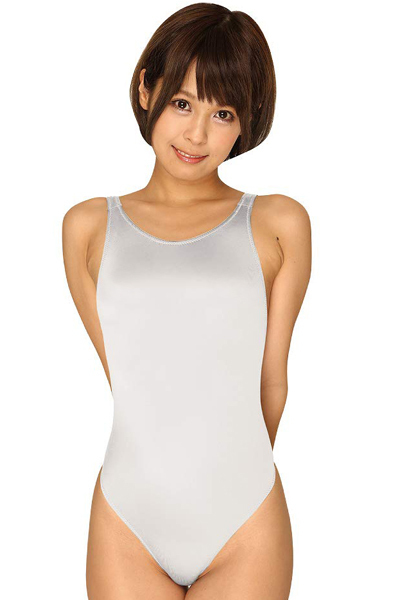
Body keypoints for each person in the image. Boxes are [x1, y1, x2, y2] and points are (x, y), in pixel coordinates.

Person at [62, 3, 312, 599]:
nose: (197, 134)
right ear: (146, 89)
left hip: (243, 515)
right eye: (182, 103)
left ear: (245, 122)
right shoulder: (87, 228)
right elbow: (128, 378)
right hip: (128, 514)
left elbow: (272, 380)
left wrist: (229, 477)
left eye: (223, 113)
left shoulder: (278, 223)